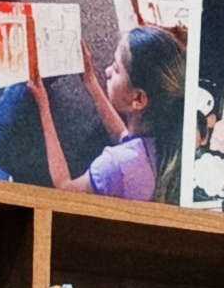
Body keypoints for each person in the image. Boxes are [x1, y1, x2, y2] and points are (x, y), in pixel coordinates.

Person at [32, 23, 186, 202]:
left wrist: (43, 107)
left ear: (138, 99)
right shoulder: (162, 136)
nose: (107, 71)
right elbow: (123, 135)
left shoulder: (115, 165)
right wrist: (90, 80)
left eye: (116, 68)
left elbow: (65, 187)